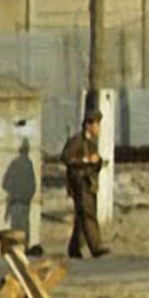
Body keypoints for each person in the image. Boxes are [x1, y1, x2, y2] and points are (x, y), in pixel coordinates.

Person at [60, 111, 108, 258]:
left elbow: (95, 165)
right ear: (88, 125)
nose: (98, 129)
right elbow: (66, 158)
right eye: (96, 125)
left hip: (89, 183)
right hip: (79, 182)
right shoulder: (76, 141)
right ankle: (96, 247)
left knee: (82, 216)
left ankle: (74, 248)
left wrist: (98, 162)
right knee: (88, 213)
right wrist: (86, 160)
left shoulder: (91, 144)